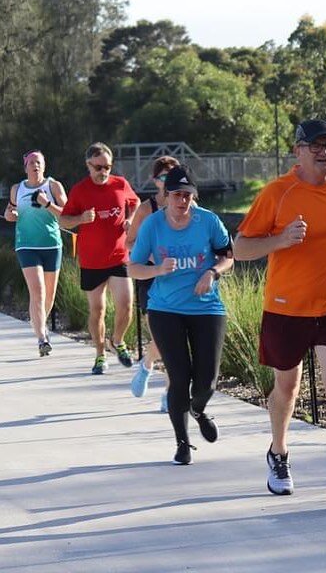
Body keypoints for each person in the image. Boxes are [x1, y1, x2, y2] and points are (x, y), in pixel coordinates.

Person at [234, 118, 326, 508]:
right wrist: (280, 239)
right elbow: (240, 248)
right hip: (286, 305)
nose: (325, 150)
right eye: (315, 145)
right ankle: (278, 453)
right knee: (287, 387)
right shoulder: (278, 193)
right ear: (298, 150)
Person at [128, 165, 233, 465]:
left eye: (187, 195)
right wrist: (158, 269)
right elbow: (133, 268)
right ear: (165, 196)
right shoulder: (152, 225)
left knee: (206, 382)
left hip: (207, 308)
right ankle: (182, 443)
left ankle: (198, 410)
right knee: (179, 376)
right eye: (176, 195)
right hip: (165, 309)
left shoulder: (208, 221)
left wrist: (212, 273)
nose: (182, 201)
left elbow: (228, 256)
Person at [59, 143, 140, 375]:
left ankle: (117, 340)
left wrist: (130, 219)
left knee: (125, 305)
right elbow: (64, 221)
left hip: (119, 256)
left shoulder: (120, 184)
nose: (104, 171)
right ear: (88, 165)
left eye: (108, 166)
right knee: (98, 309)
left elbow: (133, 202)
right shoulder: (79, 191)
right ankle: (100, 354)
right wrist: (82, 218)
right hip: (92, 261)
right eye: (99, 167)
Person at [125, 156, 180, 411]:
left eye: (172, 175)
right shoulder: (147, 209)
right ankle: (148, 367)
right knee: (163, 336)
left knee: (175, 338)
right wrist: (152, 257)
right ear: (155, 180)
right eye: (162, 177)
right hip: (151, 277)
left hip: (180, 278)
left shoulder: (185, 203)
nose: (167, 182)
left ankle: (168, 390)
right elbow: (129, 242)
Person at [3, 150, 68, 356]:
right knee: (37, 291)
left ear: (44, 165)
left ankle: (40, 325)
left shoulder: (53, 186)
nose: (35, 166)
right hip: (26, 244)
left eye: (38, 162)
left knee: (48, 296)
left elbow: (67, 214)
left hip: (51, 244)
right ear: (25, 167)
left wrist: (47, 203)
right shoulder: (17, 189)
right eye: (31, 162)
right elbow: (10, 212)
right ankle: (42, 338)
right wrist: (9, 215)